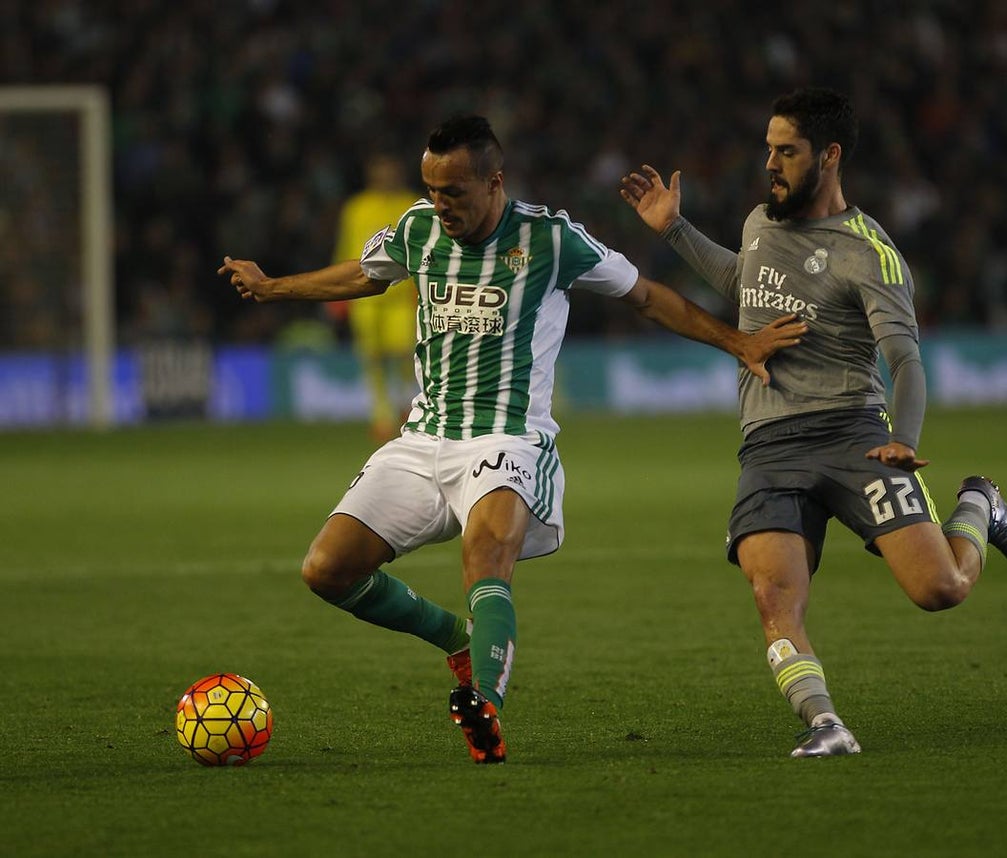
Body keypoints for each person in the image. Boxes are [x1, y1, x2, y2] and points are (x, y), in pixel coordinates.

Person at [219, 114, 807, 764]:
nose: (441, 205)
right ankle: (459, 643)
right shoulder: (419, 229)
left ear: (494, 182)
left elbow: (646, 297)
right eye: (432, 190)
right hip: (424, 437)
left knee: (486, 555)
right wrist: (274, 288)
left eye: (455, 193)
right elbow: (365, 273)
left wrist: (738, 342)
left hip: (509, 439)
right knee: (326, 570)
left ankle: (485, 705)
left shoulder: (552, 240)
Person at [620, 87, 1007, 758]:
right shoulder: (760, 223)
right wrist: (675, 229)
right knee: (774, 601)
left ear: (830, 155)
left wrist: (904, 437)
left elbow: (905, 357)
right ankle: (826, 725)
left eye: (786, 151)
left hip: (853, 435)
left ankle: (979, 505)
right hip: (769, 447)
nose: (772, 164)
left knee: (940, 589)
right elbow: (743, 283)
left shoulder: (868, 252)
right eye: (769, 149)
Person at [329, 153, 419, 440]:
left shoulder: (413, 204)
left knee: (407, 351)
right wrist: (338, 293)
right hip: (364, 294)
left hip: (401, 293)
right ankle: (381, 415)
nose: (386, 177)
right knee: (373, 357)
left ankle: (406, 403)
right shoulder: (356, 208)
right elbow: (346, 249)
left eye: (391, 171)